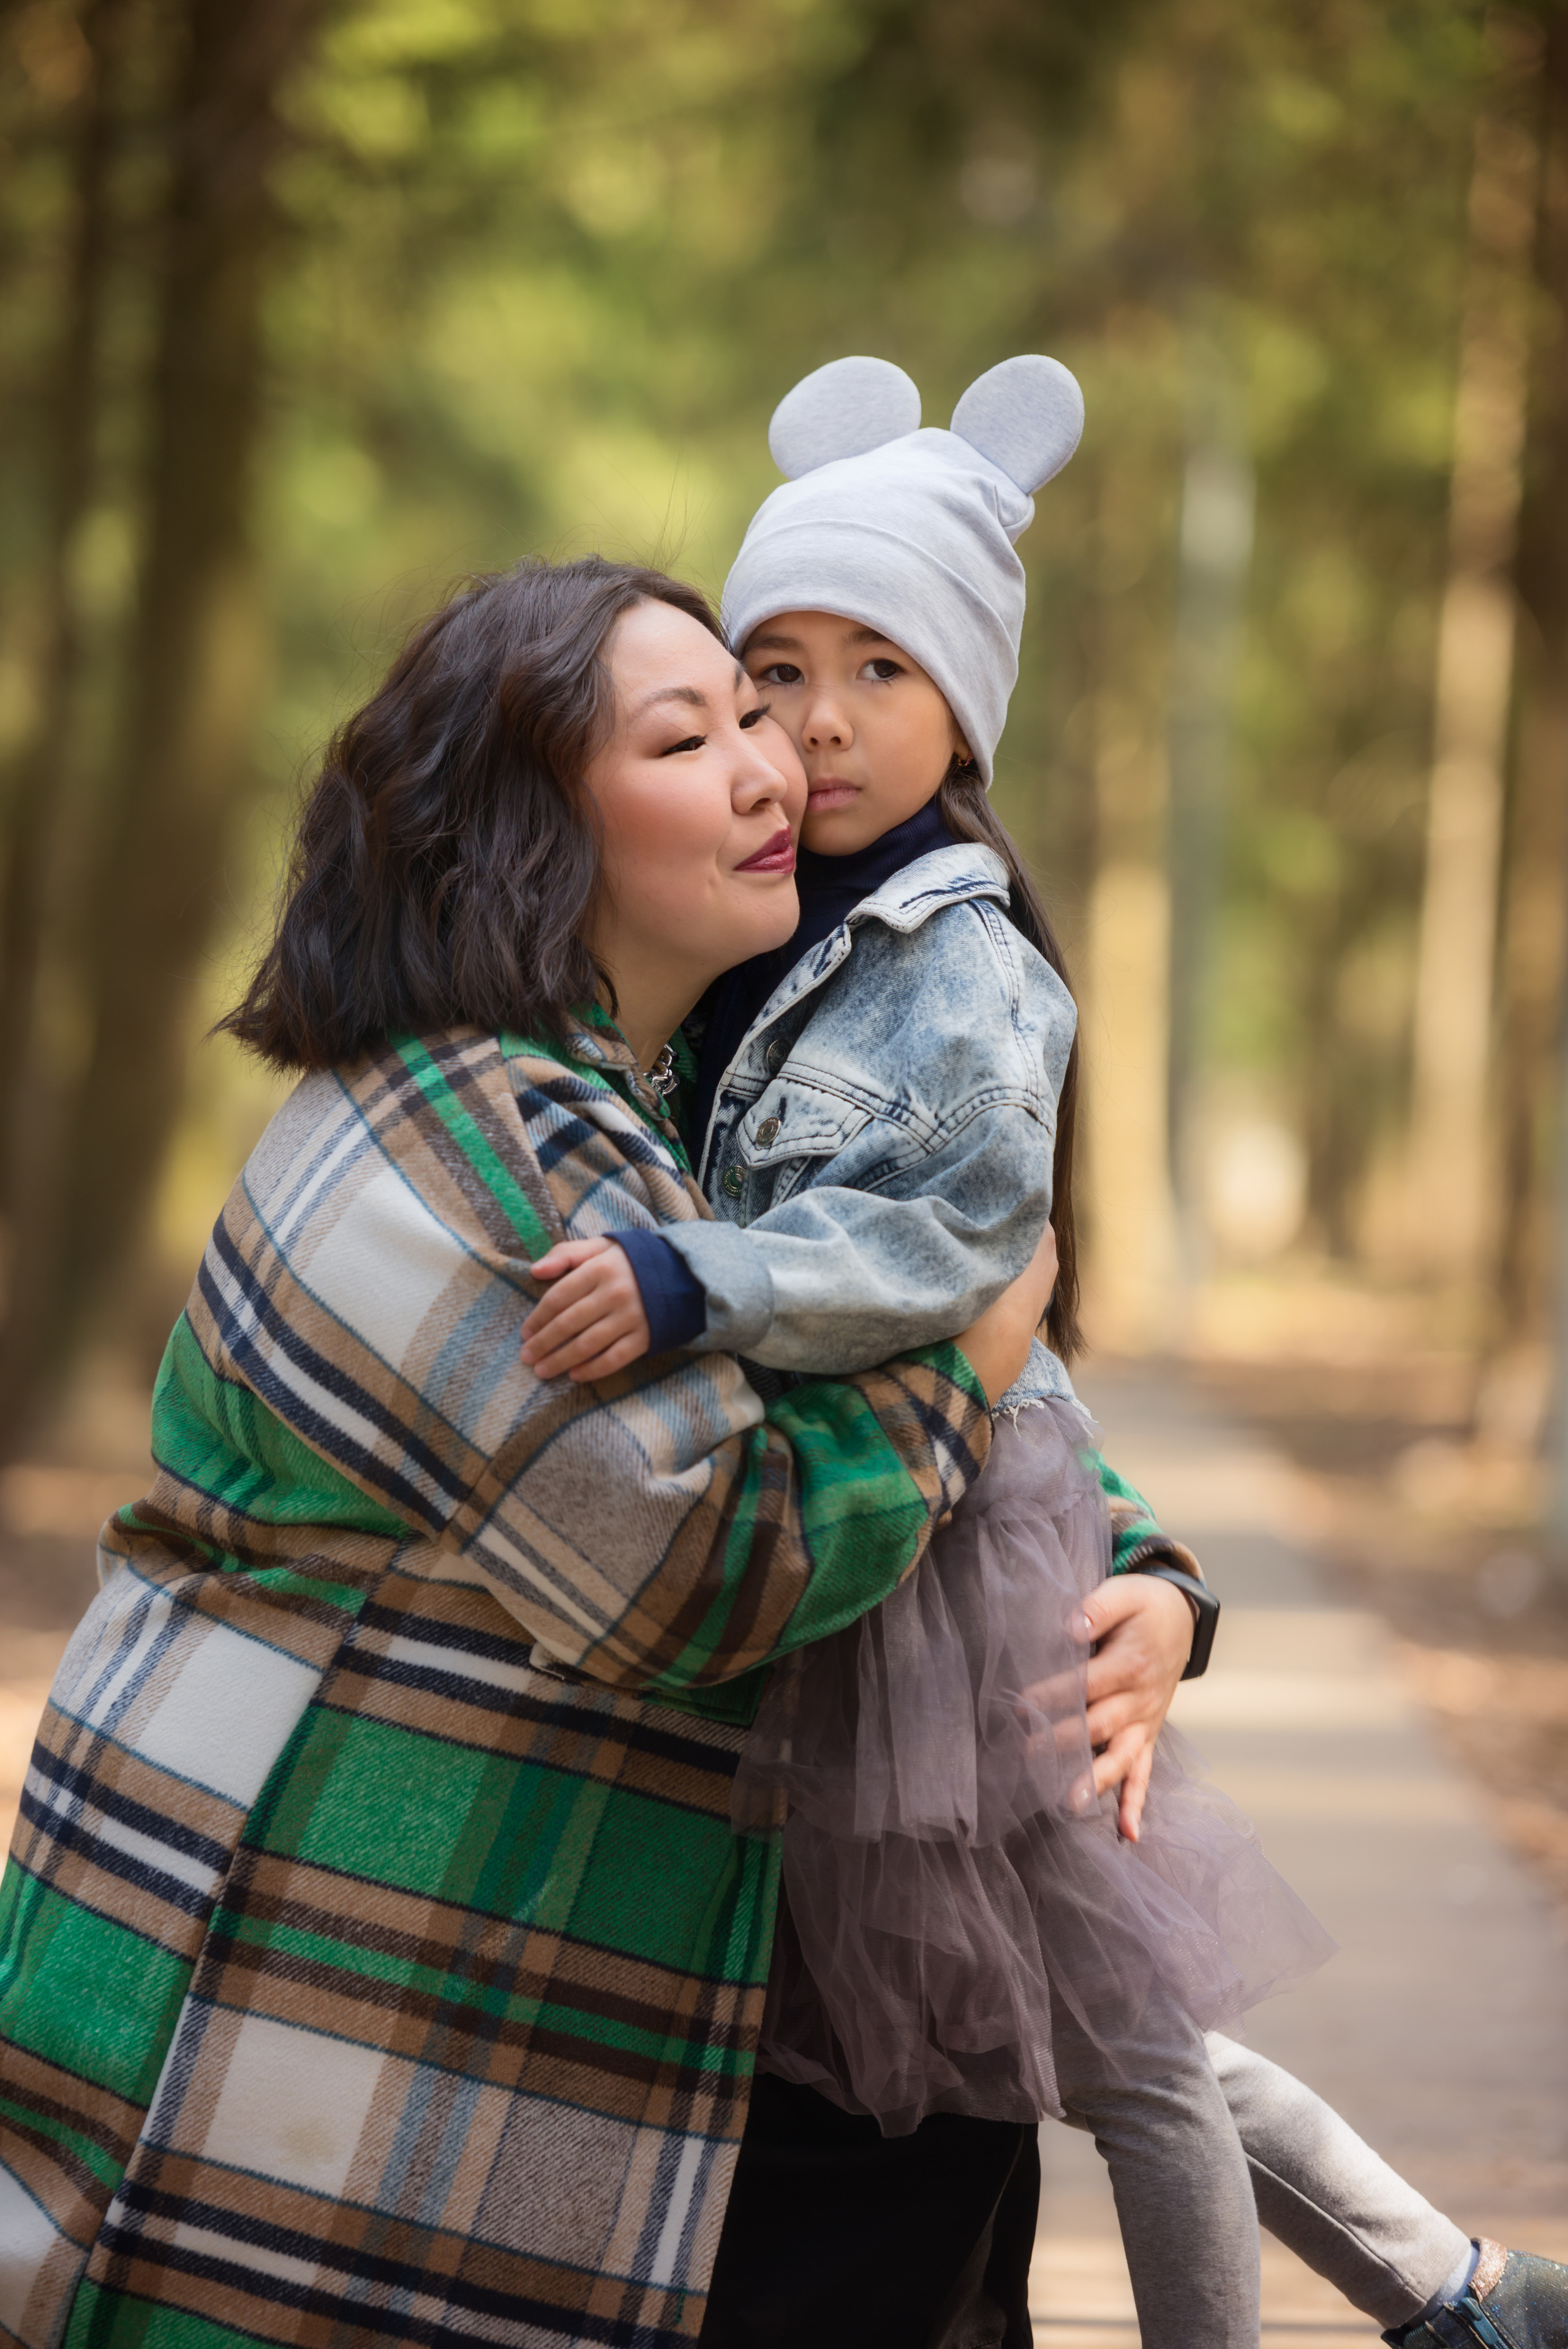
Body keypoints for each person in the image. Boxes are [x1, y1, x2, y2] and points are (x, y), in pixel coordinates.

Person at [518, 358, 1568, 2349]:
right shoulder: (735, 934)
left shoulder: (964, 961)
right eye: (772, 670)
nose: (812, 722)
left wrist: (698, 1284)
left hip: (953, 1566)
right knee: (1010, 2013)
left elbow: (944, 1261)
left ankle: (1408, 2306)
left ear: (964, 703)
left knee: (1111, 2025)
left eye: (877, 672)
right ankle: (1455, 2288)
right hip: (832, 1576)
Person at [0, 556, 1059, 2349]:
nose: (771, 767)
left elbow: (826, 1343)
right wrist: (976, 1353)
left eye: (753, 716)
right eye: (692, 732)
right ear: (527, 836)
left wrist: (1154, 1581)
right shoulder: (472, 1145)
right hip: (258, 2047)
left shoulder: (613, 1115)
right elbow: (724, 1554)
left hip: (376, 2029)